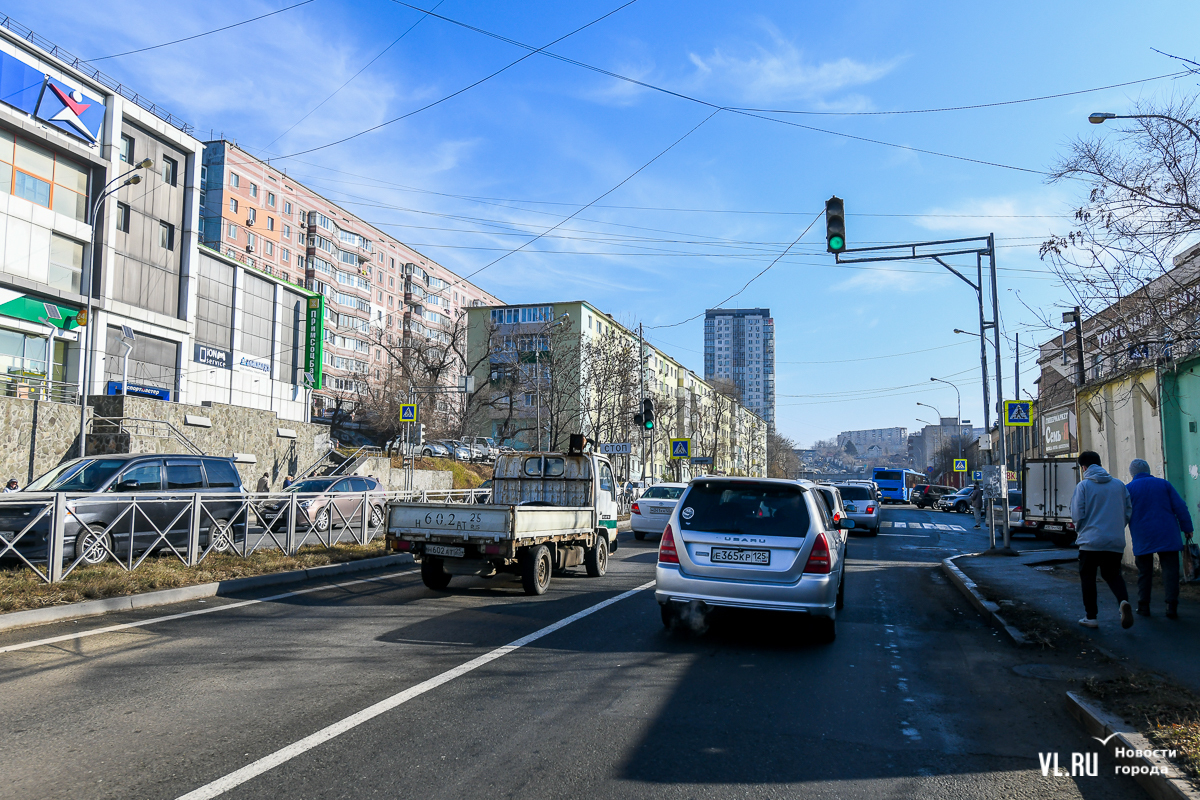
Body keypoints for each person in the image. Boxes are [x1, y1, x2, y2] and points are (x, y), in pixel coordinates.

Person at [1070, 451, 1134, 629]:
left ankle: (1091, 617)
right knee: (1113, 575)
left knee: (1088, 577)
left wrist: (1081, 530)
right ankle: (1123, 602)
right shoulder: (1119, 485)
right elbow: (1128, 511)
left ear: (1084, 467)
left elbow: (1077, 514)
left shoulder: (1083, 486)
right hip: (1114, 541)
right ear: (1099, 464)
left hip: (1090, 542)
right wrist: (1116, 529)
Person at [1126, 459, 1192, 619]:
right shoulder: (1164, 484)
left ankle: (1143, 606)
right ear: (1148, 470)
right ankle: (1171, 606)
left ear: (1132, 473)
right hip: (1167, 533)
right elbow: (1180, 506)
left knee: (1144, 572)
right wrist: (1187, 528)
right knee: (1170, 571)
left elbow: (1123, 513)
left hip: (1143, 535)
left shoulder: (1128, 489)